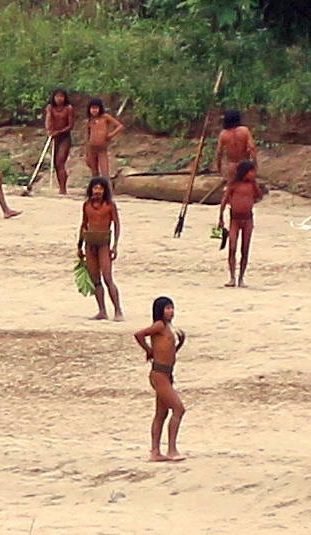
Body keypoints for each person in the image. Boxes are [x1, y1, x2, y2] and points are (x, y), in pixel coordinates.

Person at [134, 297, 186, 462]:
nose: (171, 311)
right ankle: (172, 449)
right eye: (167, 308)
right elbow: (139, 334)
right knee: (178, 409)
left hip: (166, 374)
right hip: (160, 375)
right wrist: (148, 350)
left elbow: (167, 352)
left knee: (161, 413)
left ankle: (155, 452)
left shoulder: (167, 328)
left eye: (172, 308)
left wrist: (179, 345)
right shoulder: (159, 325)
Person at [77, 177, 123, 321]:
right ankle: (102, 310)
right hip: (90, 243)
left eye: (100, 189)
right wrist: (79, 245)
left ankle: (118, 310)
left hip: (104, 244)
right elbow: (84, 224)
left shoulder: (109, 206)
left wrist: (115, 245)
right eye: (95, 188)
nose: (97, 191)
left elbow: (116, 225)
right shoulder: (87, 205)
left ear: (105, 191)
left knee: (108, 277)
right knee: (95, 278)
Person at [218, 160, 264, 287]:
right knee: (232, 247)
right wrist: (220, 218)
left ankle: (241, 278)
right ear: (246, 172)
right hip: (235, 219)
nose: (254, 174)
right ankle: (232, 277)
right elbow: (224, 200)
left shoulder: (253, 185)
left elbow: (259, 195)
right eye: (252, 172)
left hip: (248, 219)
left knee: (245, 248)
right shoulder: (234, 185)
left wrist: (250, 200)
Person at [215, 109, 258, 184]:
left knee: (232, 188)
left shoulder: (223, 134)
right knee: (247, 187)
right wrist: (254, 164)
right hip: (244, 165)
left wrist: (219, 167)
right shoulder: (245, 130)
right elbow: (252, 147)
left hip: (232, 165)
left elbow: (219, 152)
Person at [44, 88, 74, 194]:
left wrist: (59, 132)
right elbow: (48, 119)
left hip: (65, 138)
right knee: (55, 164)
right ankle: (61, 187)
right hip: (54, 137)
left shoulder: (68, 108)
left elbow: (70, 125)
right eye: (57, 96)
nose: (59, 99)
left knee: (60, 162)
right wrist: (49, 130)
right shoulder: (50, 108)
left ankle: (63, 189)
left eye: (61, 96)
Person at [85, 99, 124, 180]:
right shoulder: (90, 120)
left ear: (100, 108)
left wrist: (111, 135)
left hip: (102, 148)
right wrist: (87, 153)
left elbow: (120, 126)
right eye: (92, 108)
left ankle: (107, 189)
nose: (94, 110)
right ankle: (95, 188)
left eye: (96, 108)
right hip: (91, 148)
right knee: (94, 172)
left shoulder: (105, 117)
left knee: (105, 172)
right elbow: (88, 136)